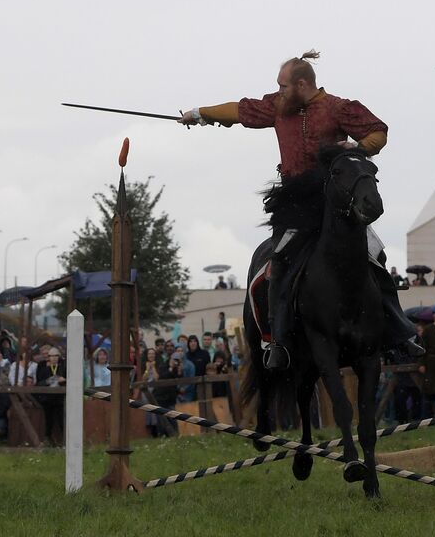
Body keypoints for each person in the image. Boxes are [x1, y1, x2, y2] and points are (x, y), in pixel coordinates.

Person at [179, 51, 421, 370]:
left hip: (334, 202)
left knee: (376, 255)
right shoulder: (280, 107)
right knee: (276, 266)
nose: (278, 91)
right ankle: (278, 342)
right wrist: (199, 113)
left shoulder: (338, 108)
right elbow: (241, 110)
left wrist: (359, 148)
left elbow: (378, 131)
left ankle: (396, 335)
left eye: (283, 86)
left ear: (302, 84)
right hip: (295, 206)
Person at [37, 346, 68, 444]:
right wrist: (47, 381)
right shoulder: (42, 368)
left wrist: (64, 380)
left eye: (56, 356)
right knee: (48, 420)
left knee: (62, 420)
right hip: (47, 399)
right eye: (51, 356)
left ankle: (65, 441)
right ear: (48, 357)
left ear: (59, 357)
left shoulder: (63, 367)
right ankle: (48, 440)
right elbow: (39, 382)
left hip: (60, 398)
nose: (54, 358)